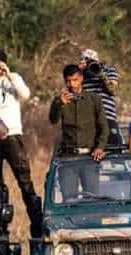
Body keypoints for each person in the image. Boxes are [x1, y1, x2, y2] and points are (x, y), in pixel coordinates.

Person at [0, 48, 42, 238]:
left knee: (24, 179)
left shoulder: (13, 77)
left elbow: (25, 95)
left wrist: (8, 74)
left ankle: (37, 222)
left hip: (13, 134)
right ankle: (1, 225)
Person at [49, 64, 108, 200]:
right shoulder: (61, 100)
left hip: (89, 157)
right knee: (69, 199)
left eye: (75, 80)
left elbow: (104, 127)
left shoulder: (94, 99)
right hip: (69, 158)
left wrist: (100, 147)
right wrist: (59, 104)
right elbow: (53, 120)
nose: (72, 84)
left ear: (81, 79)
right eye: (68, 81)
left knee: (92, 199)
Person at [79, 48, 120, 145]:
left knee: (113, 147)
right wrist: (79, 71)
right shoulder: (80, 75)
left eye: (91, 61)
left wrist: (100, 74)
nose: (89, 64)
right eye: (86, 60)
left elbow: (112, 90)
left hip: (107, 116)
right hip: (88, 119)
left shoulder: (109, 70)